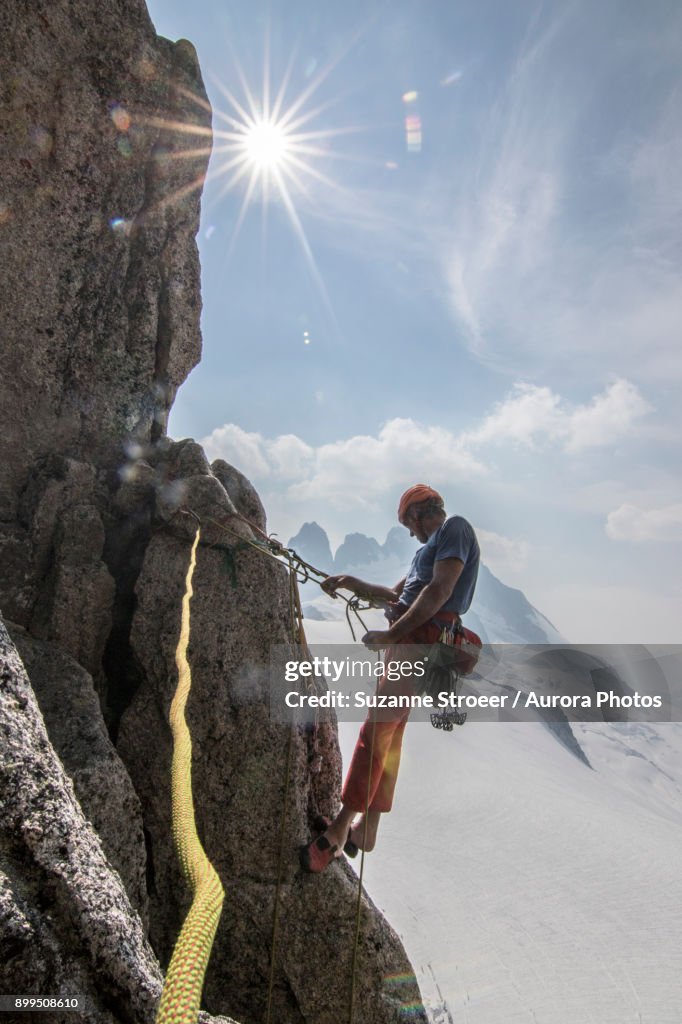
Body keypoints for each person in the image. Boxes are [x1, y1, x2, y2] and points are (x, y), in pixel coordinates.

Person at [299, 484, 480, 872]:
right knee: (390, 733)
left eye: (407, 523)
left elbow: (439, 590)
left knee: (376, 729)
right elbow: (398, 597)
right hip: (415, 643)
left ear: (418, 513)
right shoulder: (424, 552)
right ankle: (369, 827)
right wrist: (351, 582)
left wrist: (392, 635)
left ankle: (340, 830)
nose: (409, 532)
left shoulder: (454, 530)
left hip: (419, 644)